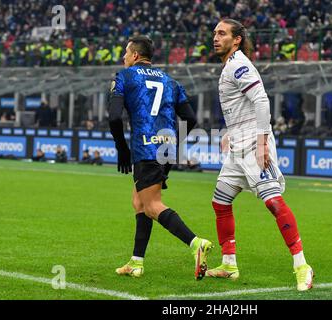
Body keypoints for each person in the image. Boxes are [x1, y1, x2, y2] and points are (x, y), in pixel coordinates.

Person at [209, 19, 313, 291]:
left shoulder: (239, 65)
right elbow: (241, 106)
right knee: (220, 201)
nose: (215, 37)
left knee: (274, 203)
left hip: (254, 143)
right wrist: (230, 131)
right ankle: (229, 264)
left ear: (237, 39)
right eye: (215, 33)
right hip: (238, 144)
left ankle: (302, 266)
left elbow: (261, 100)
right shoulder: (230, 65)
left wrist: (262, 141)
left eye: (222, 33)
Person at [108, 36, 213, 280]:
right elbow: (191, 120)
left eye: (126, 52)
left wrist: (122, 149)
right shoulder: (171, 81)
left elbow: (114, 118)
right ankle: (136, 262)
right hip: (165, 148)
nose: (123, 57)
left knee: (152, 205)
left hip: (145, 149)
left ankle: (196, 243)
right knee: (139, 202)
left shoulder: (124, 77)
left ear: (135, 55)